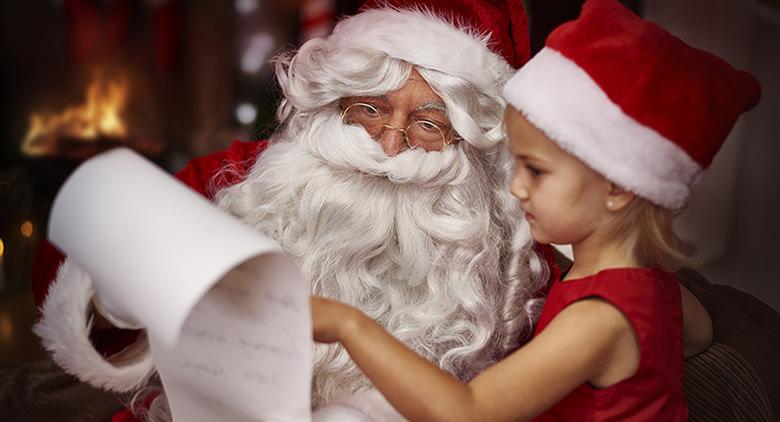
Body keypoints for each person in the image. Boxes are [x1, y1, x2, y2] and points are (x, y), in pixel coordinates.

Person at [31, 0, 713, 420]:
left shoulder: (522, 237)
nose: (389, 146)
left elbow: (673, 322)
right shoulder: (249, 175)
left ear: (473, 145)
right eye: (369, 111)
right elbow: (72, 266)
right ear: (332, 107)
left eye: (427, 125)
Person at [310, 0, 761, 420]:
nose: (514, 185)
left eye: (535, 171)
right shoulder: (641, 277)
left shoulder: (600, 318)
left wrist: (349, 325)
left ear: (619, 188)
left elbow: (469, 411)